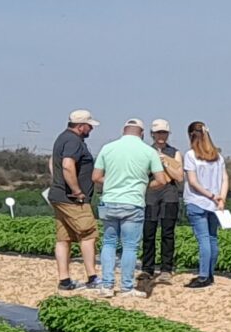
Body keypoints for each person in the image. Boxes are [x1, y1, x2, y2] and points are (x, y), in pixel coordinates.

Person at [92, 118, 168, 297]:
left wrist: (112, 183)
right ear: (142, 134)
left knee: (109, 243)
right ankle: (126, 287)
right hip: (133, 202)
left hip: (109, 200)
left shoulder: (107, 148)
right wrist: (143, 186)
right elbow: (162, 180)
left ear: (123, 130)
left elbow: (96, 176)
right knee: (130, 246)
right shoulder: (149, 151)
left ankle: (107, 285)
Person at [45, 110, 98, 290]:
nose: (91, 128)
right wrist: (77, 191)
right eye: (89, 125)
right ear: (81, 126)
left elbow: (52, 161)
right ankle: (92, 277)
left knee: (64, 238)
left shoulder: (62, 138)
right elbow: (67, 165)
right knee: (88, 234)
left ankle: (64, 280)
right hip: (72, 200)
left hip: (58, 195)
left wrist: (57, 181)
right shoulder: (74, 141)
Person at [179, 121, 229, 288]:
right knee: (212, 238)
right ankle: (210, 274)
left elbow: (193, 182)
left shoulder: (190, 155)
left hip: (198, 201)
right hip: (215, 204)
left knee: (203, 240)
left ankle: (202, 276)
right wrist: (221, 198)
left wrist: (211, 196)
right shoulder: (218, 157)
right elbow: (224, 179)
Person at [142, 119, 184, 287]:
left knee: (167, 233)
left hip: (169, 195)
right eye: (158, 133)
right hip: (150, 195)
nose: (161, 136)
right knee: (148, 232)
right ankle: (147, 268)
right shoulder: (145, 151)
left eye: (164, 133)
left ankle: (166, 268)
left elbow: (179, 176)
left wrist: (165, 161)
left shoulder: (175, 152)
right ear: (152, 134)